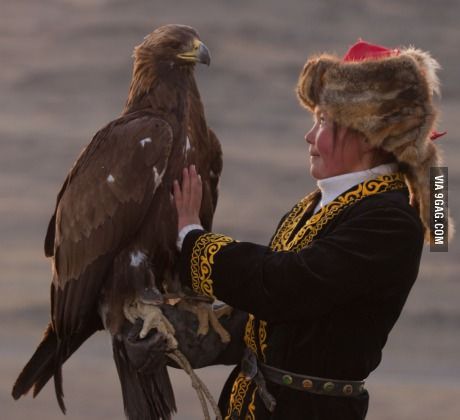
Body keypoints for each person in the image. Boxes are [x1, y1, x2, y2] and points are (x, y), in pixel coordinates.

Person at [172, 40, 452, 419]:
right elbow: (283, 321)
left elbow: (286, 287)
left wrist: (192, 241)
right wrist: (182, 334)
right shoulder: (323, 204)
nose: (309, 135)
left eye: (322, 120)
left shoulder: (389, 220)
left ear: (368, 133)